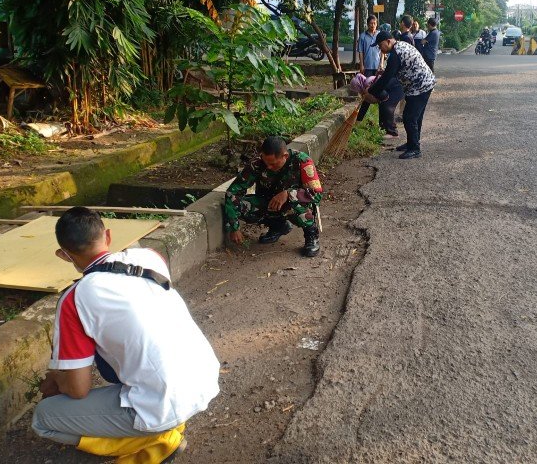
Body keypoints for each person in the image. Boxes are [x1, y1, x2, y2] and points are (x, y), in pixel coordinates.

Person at [31, 207, 220, 463]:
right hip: (203, 378)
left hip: (163, 403)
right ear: (108, 236)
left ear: (64, 255)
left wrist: (56, 379)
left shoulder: (75, 298)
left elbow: (77, 389)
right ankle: (159, 426)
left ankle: (157, 441)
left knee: (43, 418)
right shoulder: (150, 257)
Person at [224, 136, 323, 257]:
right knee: (242, 205)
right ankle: (278, 226)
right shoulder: (257, 163)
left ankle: (311, 235)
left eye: (272, 163)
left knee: (295, 202)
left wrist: (288, 194)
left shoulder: (302, 161)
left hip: (293, 205)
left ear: (285, 156)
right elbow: (232, 192)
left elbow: (316, 194)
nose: (268, 167)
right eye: (266, 162)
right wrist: (234, 227)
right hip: (269, 203)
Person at [363, 31, 435, 160]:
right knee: (415, 117)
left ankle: (415, 149)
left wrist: (371, 91)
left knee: (409, 117)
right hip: (422, 84)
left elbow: (386, 79)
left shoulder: (395, 53)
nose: (380, 49)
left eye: (380, 45)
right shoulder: (400, 46)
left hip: (420, 86)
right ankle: (412, 143)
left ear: (388, 41)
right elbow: (393, 71)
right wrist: (383, 75)